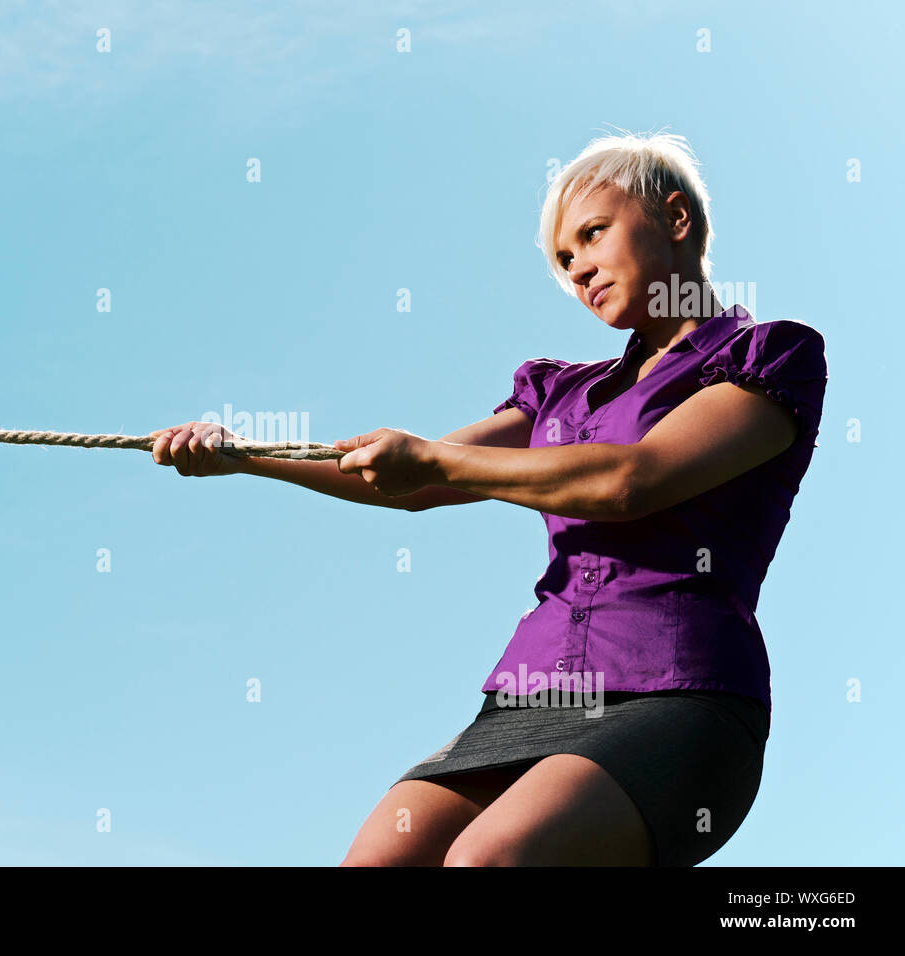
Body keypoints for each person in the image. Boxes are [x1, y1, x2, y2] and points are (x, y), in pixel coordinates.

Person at [148, 130, 828, 867]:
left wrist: (435, 456)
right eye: (564, 261)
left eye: (591, 235)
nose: (579, 270)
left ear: (676, 218)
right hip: (534, 698)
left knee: (490, 859)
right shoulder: (562, 392)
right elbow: (416, 481)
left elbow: (631, 480)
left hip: (680, 694)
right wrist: (244, 457)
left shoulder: (771, 358)